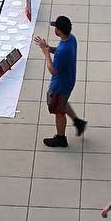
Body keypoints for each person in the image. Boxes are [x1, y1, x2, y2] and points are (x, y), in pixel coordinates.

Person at [35, 15, 86, 148]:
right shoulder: (71, 39)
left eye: (56, 28)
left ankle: (61, 138)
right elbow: (59, 52)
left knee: (59, 111)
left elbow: (53, 70)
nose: (54, 29)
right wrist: (49, 48)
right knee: (62, 103)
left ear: (59, 31)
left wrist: (46, 53)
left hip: (60, 86)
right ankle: (78, 122)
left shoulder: (64, 50)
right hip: (69, 80)